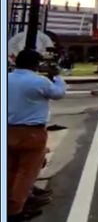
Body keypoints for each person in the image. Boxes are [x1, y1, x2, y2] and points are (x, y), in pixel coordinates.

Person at [7, 50, 67, 221]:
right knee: (26, 173)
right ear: (34, 64)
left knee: (11, 169)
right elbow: (58, 94)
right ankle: (16, 209)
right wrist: (56, 77)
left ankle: (13, 201)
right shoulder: (38, 81)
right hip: (32, 132)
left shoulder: (7, 79)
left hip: (9, 129)